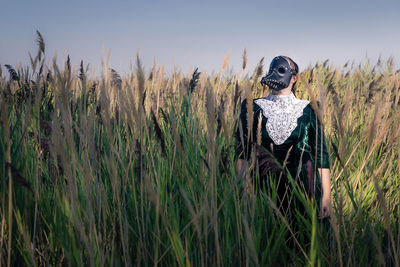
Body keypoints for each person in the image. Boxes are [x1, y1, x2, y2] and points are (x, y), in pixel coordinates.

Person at [235, 55, 331, 219]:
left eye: (280, 70)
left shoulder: (310, 109)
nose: (274, 73)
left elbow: (321, 156)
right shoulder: (253, 107)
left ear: (294, 77)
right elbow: (241, 152)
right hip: (265, 192)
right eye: (272, 69)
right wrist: (246, 189)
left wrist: (326, 198)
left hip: (305, 192)